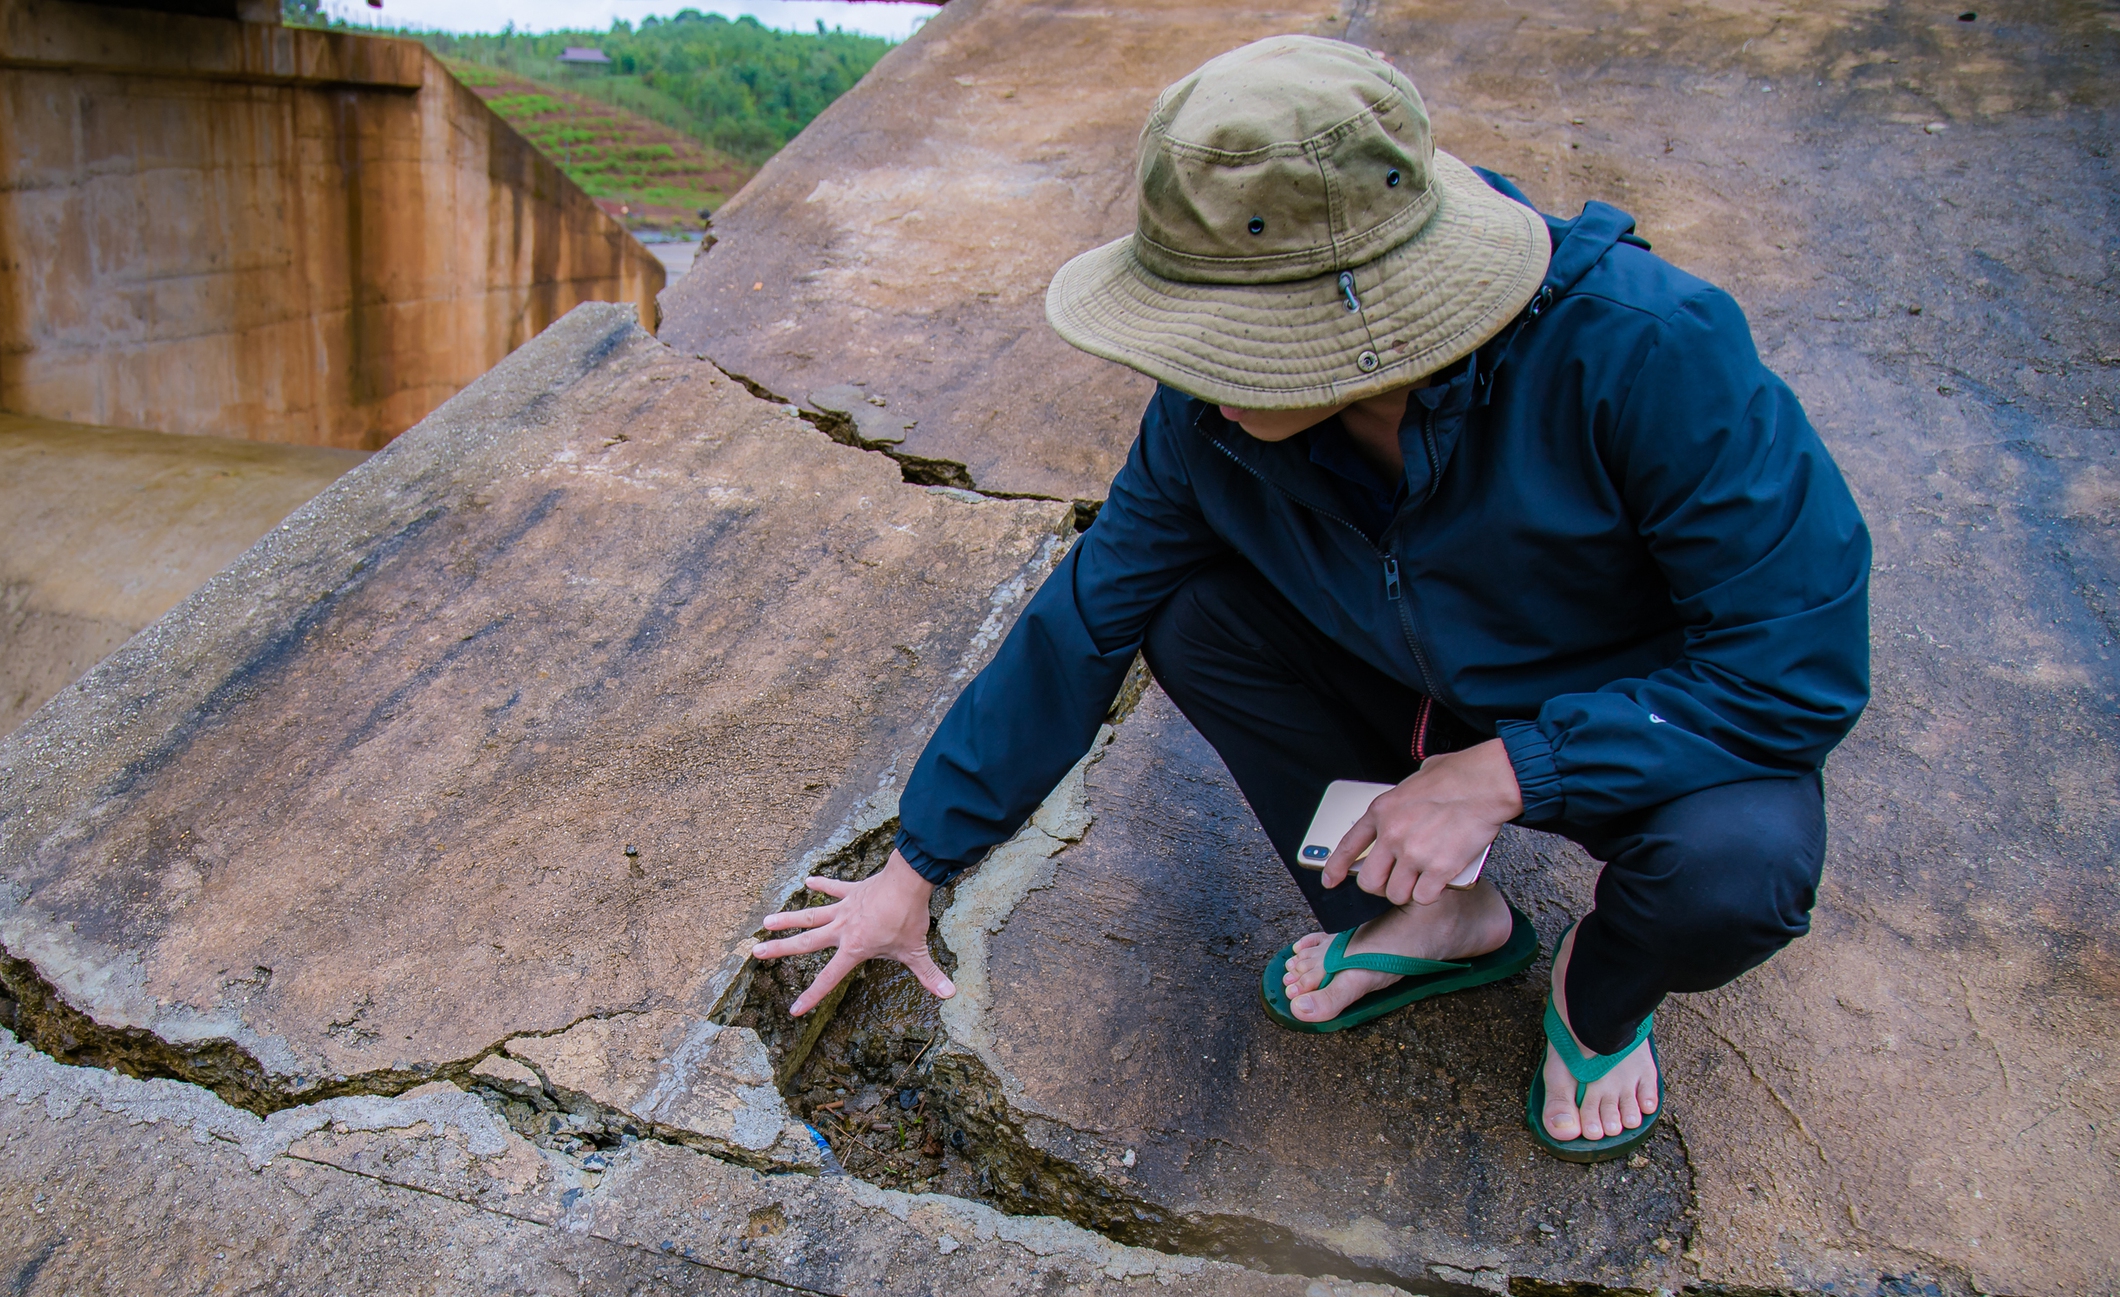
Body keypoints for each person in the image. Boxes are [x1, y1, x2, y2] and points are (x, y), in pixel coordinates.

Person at [751, 35, 1869, 1161]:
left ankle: (1595, 992)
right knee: (1185, 613)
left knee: (1739, 876)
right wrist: (915, 871)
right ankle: (1436, 919)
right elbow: (1085, 619)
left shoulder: (1645, 350)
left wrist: (1502, 777)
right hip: (1416, 688)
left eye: (1242, 339)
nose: (1193, 372)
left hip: (1637, 715)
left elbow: (1791, 667)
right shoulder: (1205, 416)